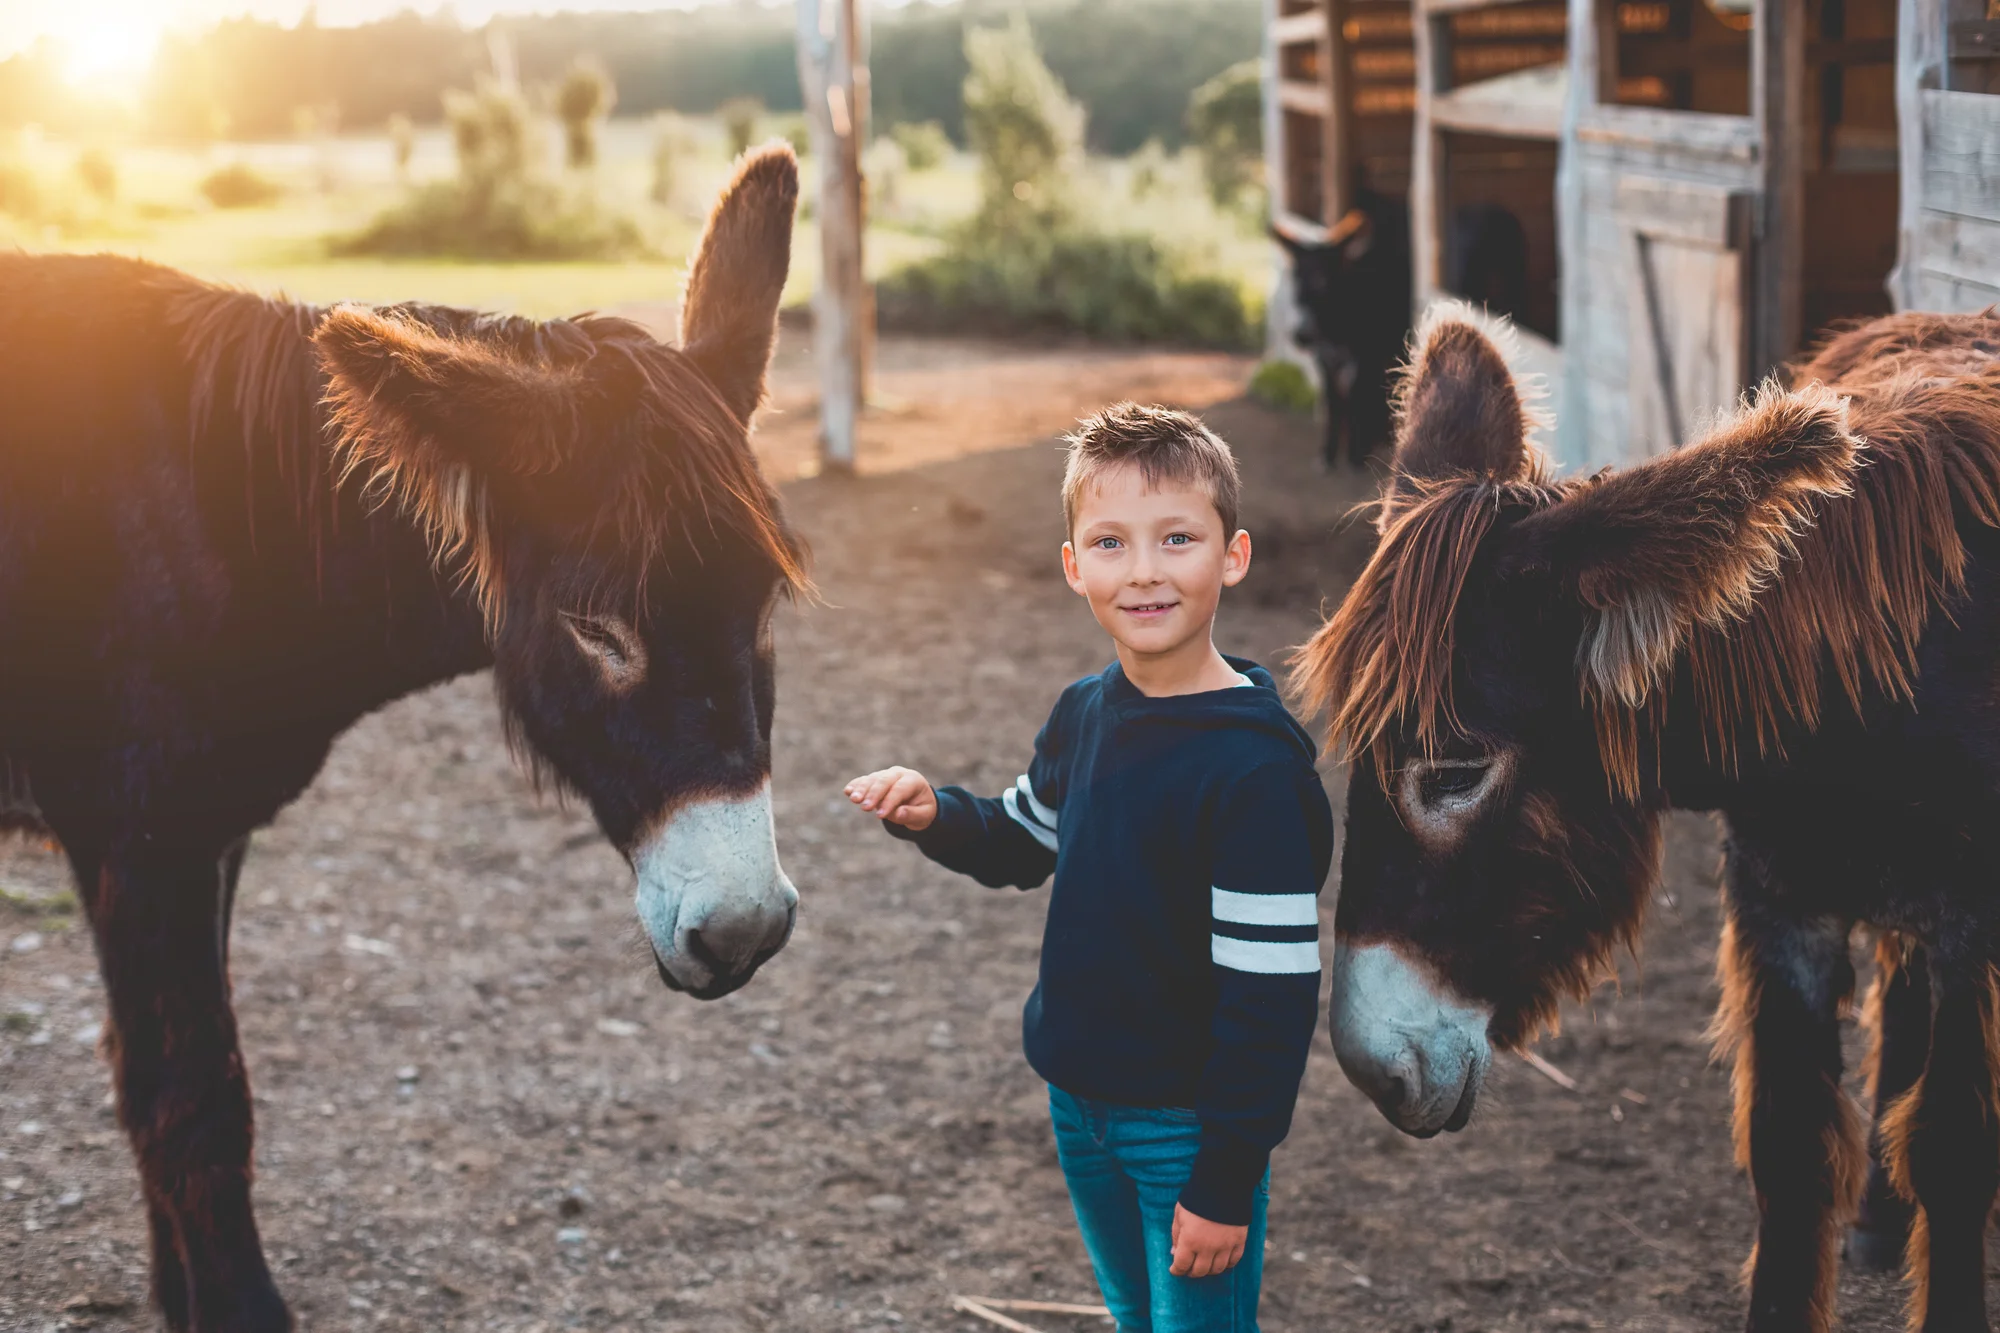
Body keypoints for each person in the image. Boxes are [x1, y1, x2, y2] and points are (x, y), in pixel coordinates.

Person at [844, 403, 1333, 1333]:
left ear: (1233, 555)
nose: (1144, 569)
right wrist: (936, 813)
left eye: (1177, 537)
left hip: (1184, 1132)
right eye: (1110, 542)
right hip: (1080, 1107)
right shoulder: (1085, 712)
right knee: (1134, 1316)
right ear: (1075, 567)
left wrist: (1225, 1180)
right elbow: (1025, 841)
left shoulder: (1255, 769)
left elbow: (1272, 1002)